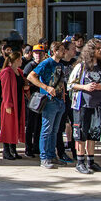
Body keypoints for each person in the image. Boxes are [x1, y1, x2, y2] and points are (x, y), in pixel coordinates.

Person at [28, 41, 69, 169]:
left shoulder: (60, 65)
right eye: (61, 49)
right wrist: (46, 87)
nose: (64, 52)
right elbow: (31, 76)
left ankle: (52, 155)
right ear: (55, 51)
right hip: (49, 100)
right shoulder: (46, 63)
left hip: (59, 100)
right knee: (46, 129)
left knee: (55, 130)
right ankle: (44, 157)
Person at [68, 39, 101, 174]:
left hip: (96, 104)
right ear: (91, 50)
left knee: (93, 134)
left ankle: (91, 161)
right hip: (82, 104)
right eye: (97, 48)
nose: (100, 51)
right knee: (80, 133)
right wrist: (84, 86)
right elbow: (70, 84)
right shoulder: (81, 66)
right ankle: (80, 161)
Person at [0, 49, 26, 160]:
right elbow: (6, 90)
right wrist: (8, 104)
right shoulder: (7, 72)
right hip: (9, 103)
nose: (21, 60)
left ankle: (13, 150)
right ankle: (6, 150)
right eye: (20, 59)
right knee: (8, 127)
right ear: (15, 60)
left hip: (18, 102)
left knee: (15, 126)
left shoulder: (19, 71)